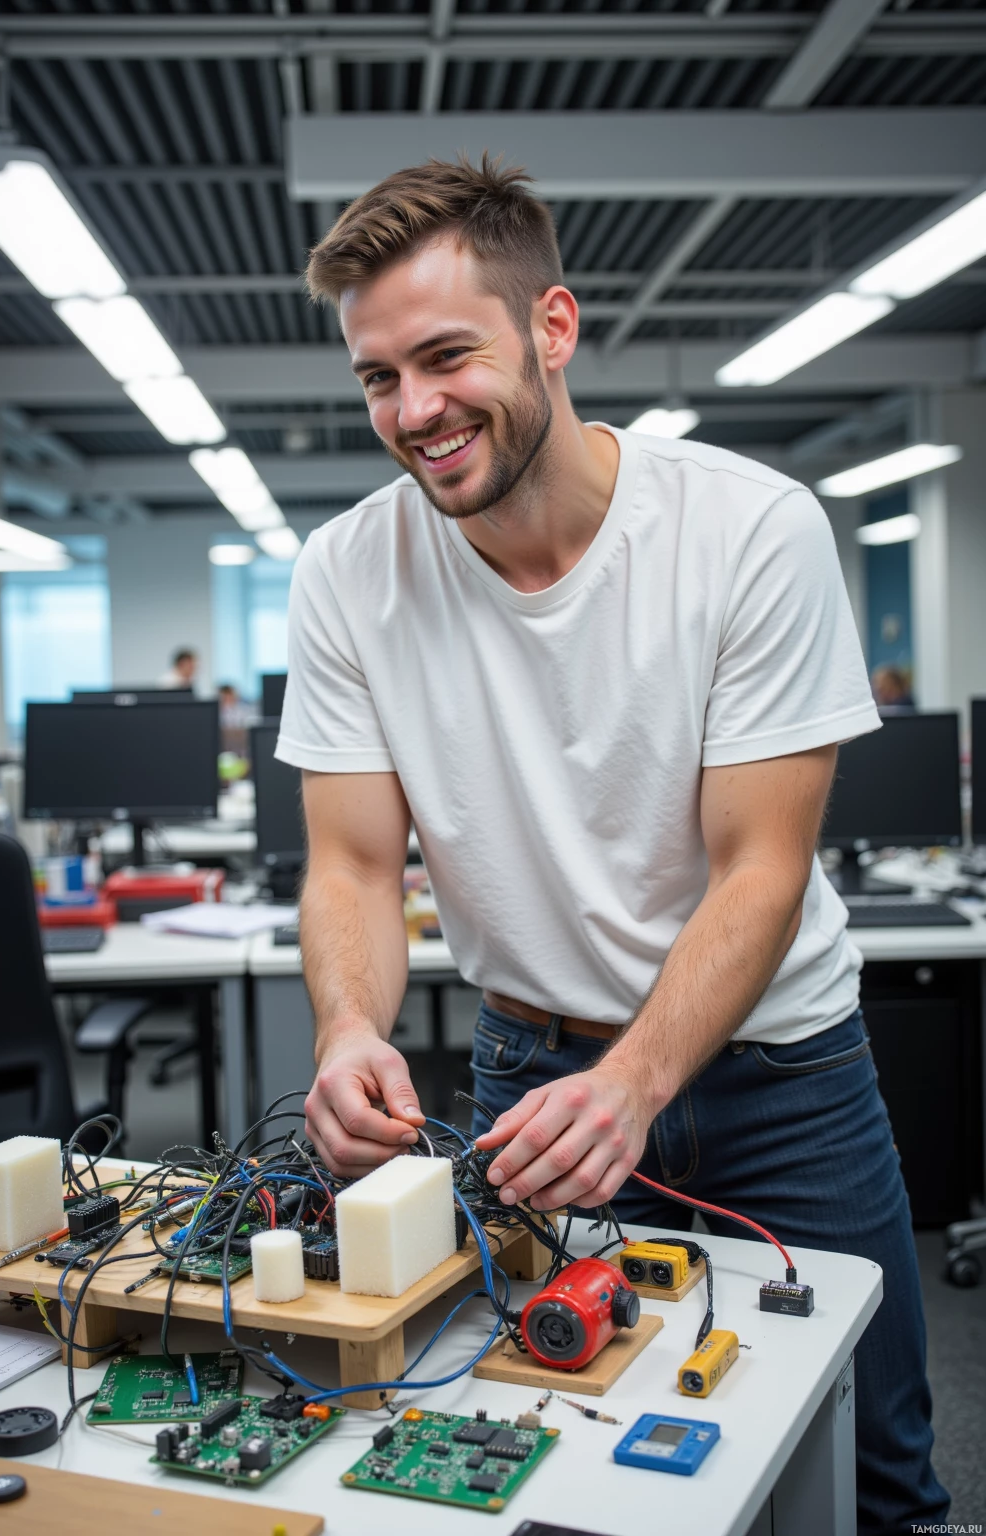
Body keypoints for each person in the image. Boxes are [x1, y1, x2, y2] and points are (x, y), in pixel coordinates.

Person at [275, 156, 948, 1533]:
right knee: (549, 1460)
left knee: (874, 1473)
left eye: (447, 356)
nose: (415, 411)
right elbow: (350, 866)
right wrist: (349, 1030)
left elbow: (762, 867)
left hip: (783, 1079)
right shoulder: (347, 573)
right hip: (536, 1069)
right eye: (378, 379)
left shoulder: (746, 531)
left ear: (554, 328)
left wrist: (638, 1081)